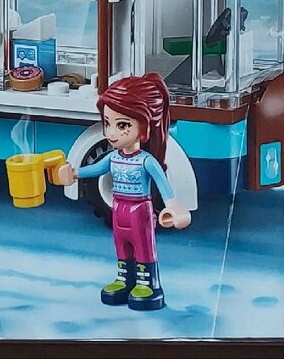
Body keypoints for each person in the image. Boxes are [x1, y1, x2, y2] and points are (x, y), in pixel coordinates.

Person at [56, 74, 191, 310]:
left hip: (140, 210)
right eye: (108, 123)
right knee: (121, 244)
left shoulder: (147, 161)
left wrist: (173, 207)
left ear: (144, 128)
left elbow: (164, 186)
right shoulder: (113, 158)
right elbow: (95, 169)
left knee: (143, 246)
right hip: (119, 208)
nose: (111, 133)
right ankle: (124, 278)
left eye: (122, 125)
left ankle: (149, 283)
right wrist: (73, 174)